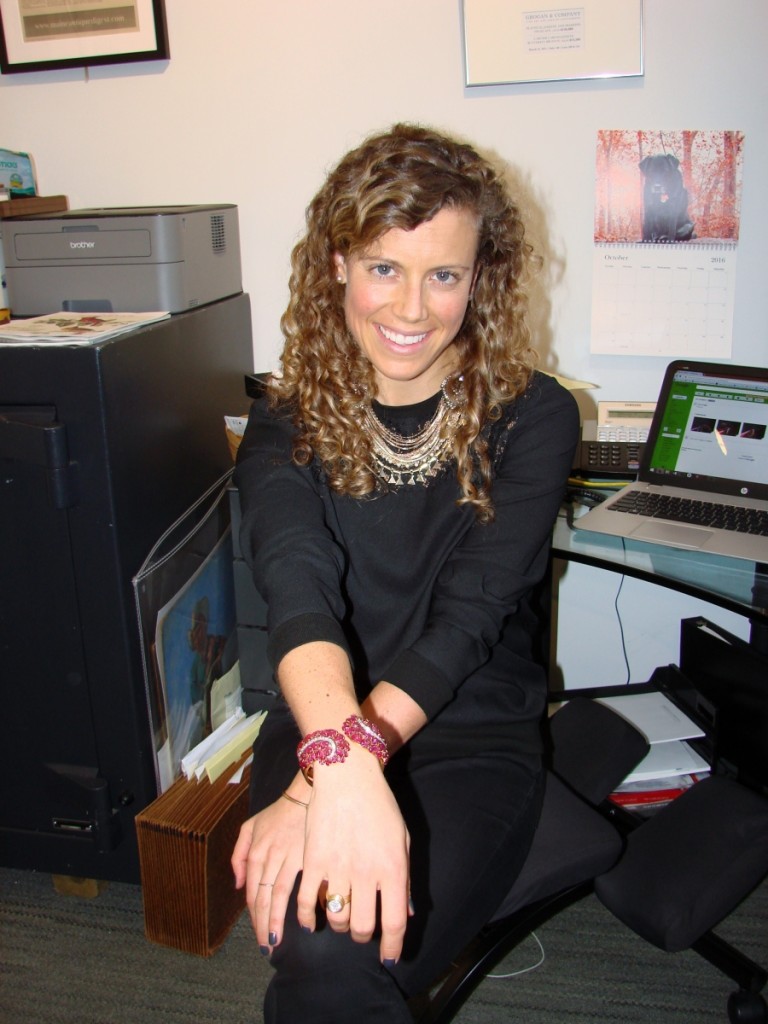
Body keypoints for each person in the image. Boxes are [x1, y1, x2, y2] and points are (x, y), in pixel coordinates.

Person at [231, 122, 579, 1023]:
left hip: (465, 729)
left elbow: (468, 620)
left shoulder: (533, 416)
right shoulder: (285, 416)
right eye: (386, 267)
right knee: (319, 940)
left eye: (445, 275)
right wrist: (329, 758)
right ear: (339, 264)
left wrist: (325, 781)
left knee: (334, 952)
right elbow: (294, 585)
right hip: (322, 708)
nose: (413, 308)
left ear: (481, 278)